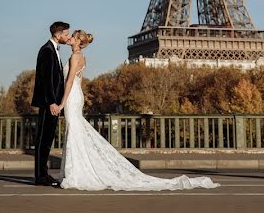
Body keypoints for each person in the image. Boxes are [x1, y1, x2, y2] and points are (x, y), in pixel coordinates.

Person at [55, 29, 218, 191]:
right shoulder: (82, 57)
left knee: (74, 131)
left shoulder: (75, 57)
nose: (69, 38)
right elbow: (77, 81)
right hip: (77, 95)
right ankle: (76, 171)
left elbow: (69, 82)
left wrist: (61, 103)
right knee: (75, 132)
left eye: (73, 37)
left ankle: (76, 172)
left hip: (72, 96)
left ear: (78, 41)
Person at [31, 21, 71, 186]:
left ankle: (42, 174)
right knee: (43, 139)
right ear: (59, 33)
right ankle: (40, 176)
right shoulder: (47, 51)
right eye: (67, 34)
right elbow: (47, 80)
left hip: (51, 102)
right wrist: (52, 102)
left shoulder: (51, 50)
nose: (68, 37)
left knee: (46, 139)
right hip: (50, 103)